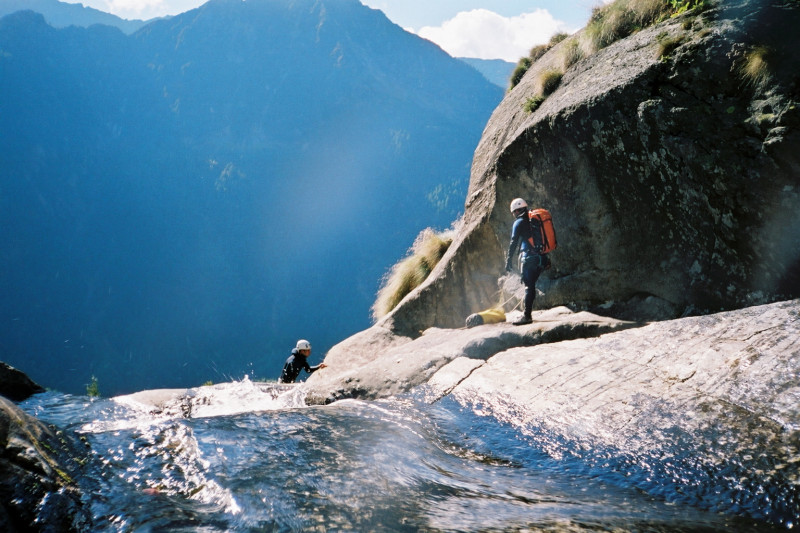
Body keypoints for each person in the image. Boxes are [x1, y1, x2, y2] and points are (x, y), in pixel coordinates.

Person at [505, 198, 549, 325]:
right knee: (531, 285)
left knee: (529, 286)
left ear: (516, 211)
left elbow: (513, 242)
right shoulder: (534, 219)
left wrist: (509, 259)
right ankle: (527, 313)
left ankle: (527, 316)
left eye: (513, 212)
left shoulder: (519, 222)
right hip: (542, 258)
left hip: (530, 258)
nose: (514, 215)